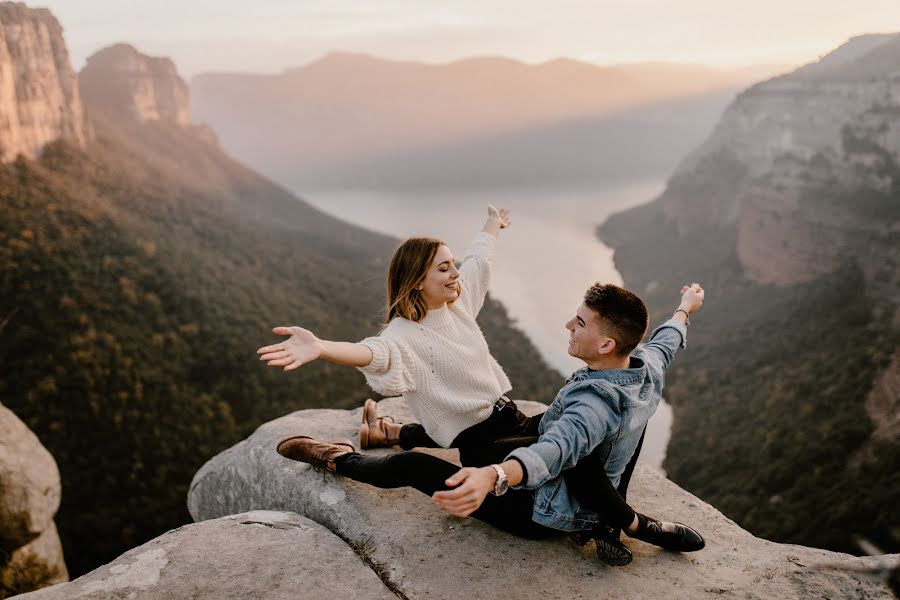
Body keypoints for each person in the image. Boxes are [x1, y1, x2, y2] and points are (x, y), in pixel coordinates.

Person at [269, 278, 707, 560]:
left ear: (608, 343)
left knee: (414, 469)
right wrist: (685, 309)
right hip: (576, 480)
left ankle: (337, 459)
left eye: (580, 322)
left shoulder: (592, 408)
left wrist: (494, 475)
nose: (568, 324)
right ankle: (396, 431)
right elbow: (665, 343)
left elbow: (555, 452)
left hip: (543, 511)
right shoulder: (642, 368)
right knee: (484, 427)